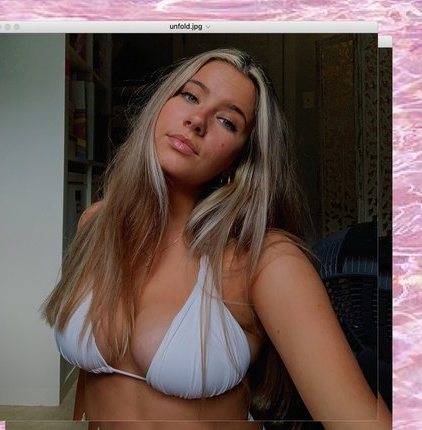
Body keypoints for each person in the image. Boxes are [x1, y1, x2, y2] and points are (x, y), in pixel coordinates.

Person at [42, 48, 391, 430]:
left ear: (239, 160)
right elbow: (90, 386)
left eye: (227, 120)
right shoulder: (97, 223)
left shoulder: (265, 261)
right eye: (190, 96)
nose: (197, 120)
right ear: (161, 106)